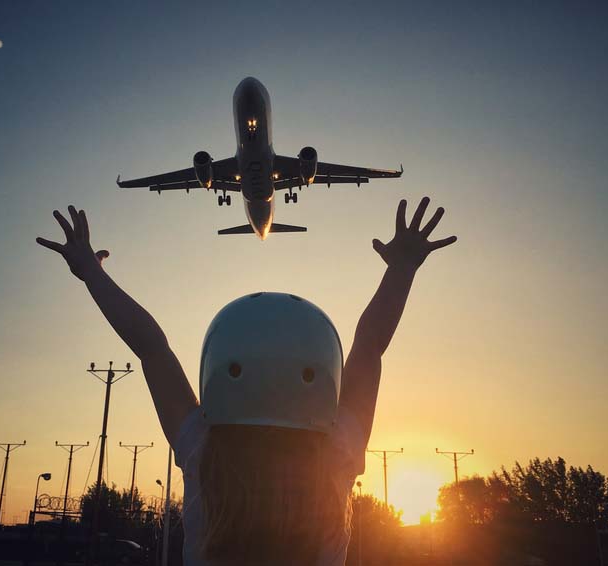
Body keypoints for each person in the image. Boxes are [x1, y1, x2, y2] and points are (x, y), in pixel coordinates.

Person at [37, 197, 456, 565]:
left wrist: (91, 271)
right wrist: (402, 269)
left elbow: (151, 347)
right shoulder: (336, 455)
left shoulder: (203, 450)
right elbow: (369, 349)